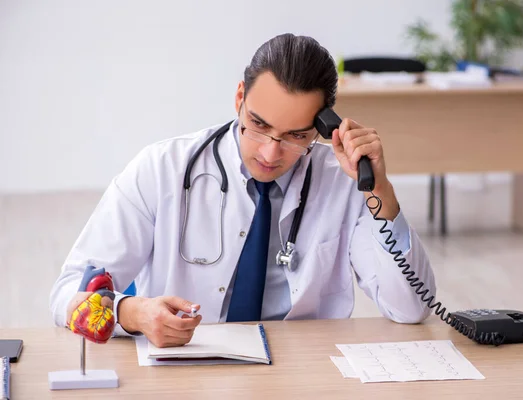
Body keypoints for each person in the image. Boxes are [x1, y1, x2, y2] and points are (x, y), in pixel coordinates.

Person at [50, 33, 436, 348]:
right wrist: (132, 313)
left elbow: (411, 308)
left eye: (295, 136)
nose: (270, 153)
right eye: (258, 125)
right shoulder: (161, 168)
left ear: (323, 127)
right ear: (239, 99)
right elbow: (67, 294)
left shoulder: (343, 181)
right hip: (189, 370)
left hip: (306, 372)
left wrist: (379, 187)